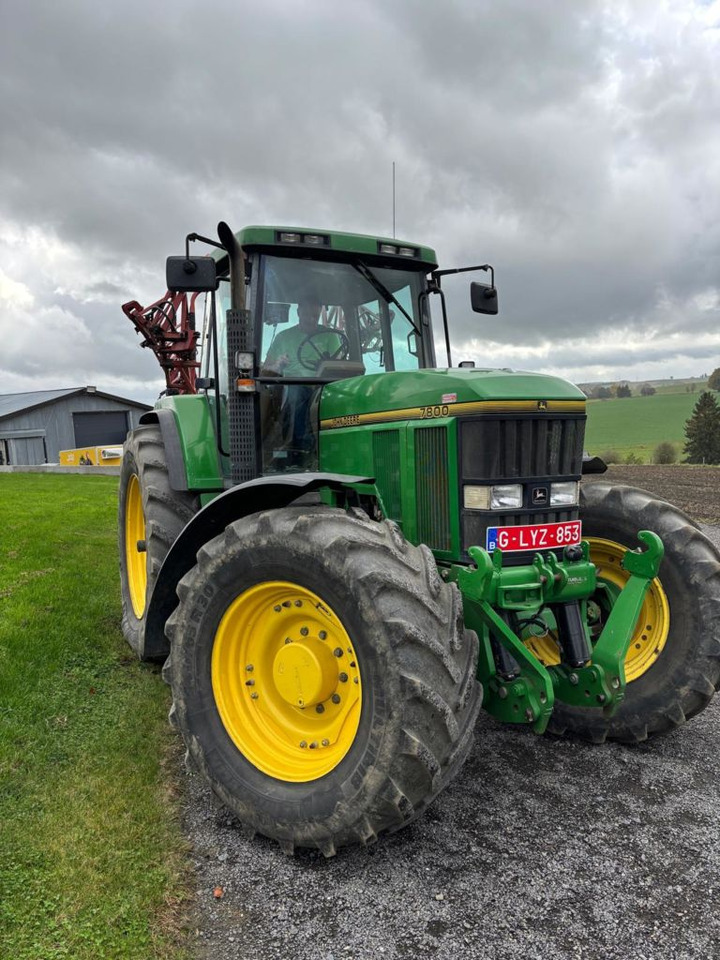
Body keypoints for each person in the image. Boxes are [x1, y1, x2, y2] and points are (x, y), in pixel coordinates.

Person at [262, 297, 346, 467]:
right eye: (307, 315)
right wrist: (278, 364)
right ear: (299, 312)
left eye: (315, 316)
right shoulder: (283, 337)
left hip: (323, 387)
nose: (311, 319)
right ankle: (299, 451)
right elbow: (265, 370)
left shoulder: (330, 336)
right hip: (292, 387)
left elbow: (339, 365)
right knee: (297, 393)